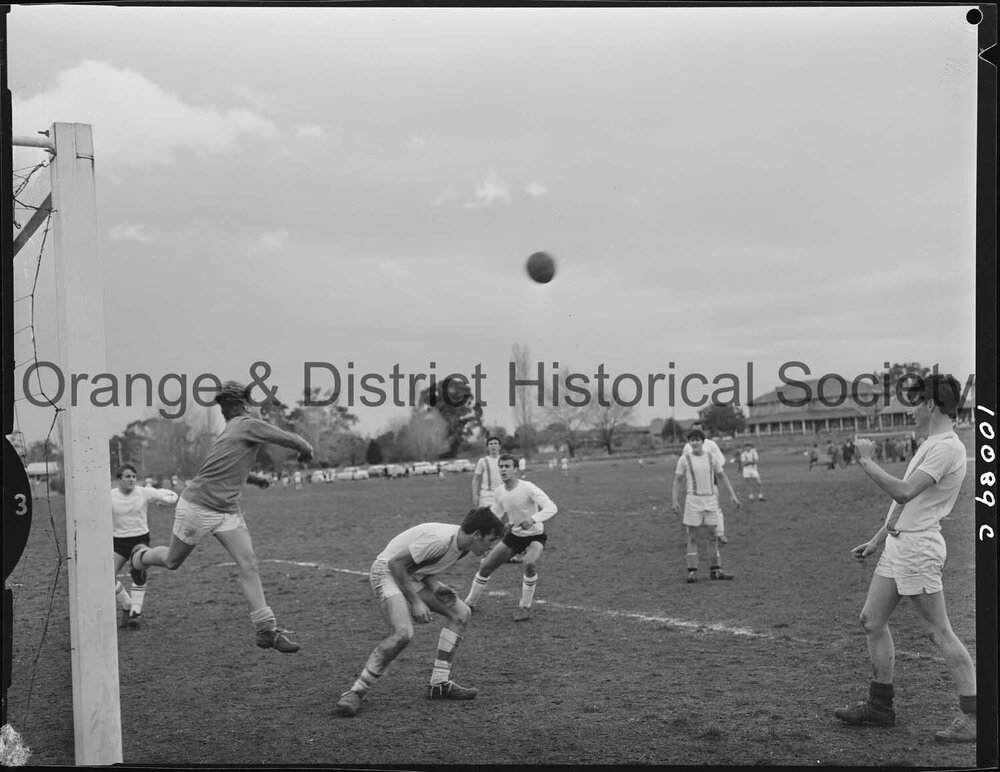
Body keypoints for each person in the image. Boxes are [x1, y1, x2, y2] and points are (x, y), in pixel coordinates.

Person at [834, 374, 975, 743]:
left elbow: (904, 491)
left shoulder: (947, 447)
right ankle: (881, 707)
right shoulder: (930, 444)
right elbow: (908, 504)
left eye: (915, 403)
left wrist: (866, 462)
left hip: (919, 549)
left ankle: (976, 716)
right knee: (871, 620)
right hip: (900, 545)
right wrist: (878, 539)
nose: (910, 410)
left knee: (938, 632)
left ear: (931, 405)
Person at [128, 381, 314, 653]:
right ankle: (139, 558)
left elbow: (228, 469)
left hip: (227, 511)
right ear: (246, 406)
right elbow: (289, 438)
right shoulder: (246, 424)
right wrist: (306, 450)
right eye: (257, 405)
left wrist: (256, 479)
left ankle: (266, 630)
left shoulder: (234, 430)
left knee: (248, 563)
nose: (260, 411)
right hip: (198, 507)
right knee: (171, 560)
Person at [336, 507, 506, 717]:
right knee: (404, 633)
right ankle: (356, 691)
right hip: (386, 572)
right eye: (490, 540)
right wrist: (415, 601)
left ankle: (439, 683)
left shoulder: (463, 546)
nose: (490, 547)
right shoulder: (440, 540)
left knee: (461, 613)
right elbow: (395, 563)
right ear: (477, 535)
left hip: (408, 575)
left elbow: (421, 568)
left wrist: (436, 588)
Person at [464, 454, 557, 621]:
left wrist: (533, 519)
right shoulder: (499, 492)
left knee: (529, 562)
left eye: (507, 466)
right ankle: (470, 602)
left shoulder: (528, 487)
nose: (503, 469)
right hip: (514, 536)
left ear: (516, 469)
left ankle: (525, 607)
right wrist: (499, 527)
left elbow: (552, 507)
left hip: (535, 536)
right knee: (486, 566)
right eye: (501, 466)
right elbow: (496, 515)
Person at [111, 464, 178, 629]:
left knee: (137, 572)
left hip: (139, 541)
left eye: (134, 476)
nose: (132, 479)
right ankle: (127, 603)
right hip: (118, 542)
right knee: (106, 578)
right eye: (127, 476)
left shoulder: (144, 492)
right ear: (119, 479)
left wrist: (165, 501)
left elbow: (172, 495)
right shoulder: (110, 496)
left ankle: (135, 612)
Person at [673, 429, 741, 583]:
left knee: (713, 535)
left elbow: (722, 476)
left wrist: (732, 495)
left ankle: (716, 570)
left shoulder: (712, 458)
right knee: (692, 536)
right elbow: (677, 480)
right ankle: (692, 571)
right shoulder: (684, 460)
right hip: (693, 501)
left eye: (698, 439)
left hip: (710, 500)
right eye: (692, 440)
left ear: (703, 442)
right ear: (689, 443)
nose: (695, 442)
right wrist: (675, 500)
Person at [682, 421, 730, 542]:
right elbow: (684, 464)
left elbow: (720, 462)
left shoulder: (711, 445)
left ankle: (720, 533)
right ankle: (690, 536)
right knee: (691, 511)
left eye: (699, 429)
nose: (697, 431)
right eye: (694, 429)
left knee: (716, 508)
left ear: (704, 431)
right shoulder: (688, 447)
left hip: (710, 483)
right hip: (693, 486)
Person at [471, 436, 502, 507]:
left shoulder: (504, 460)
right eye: (490, 444)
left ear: (499, 447)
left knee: (502, 517)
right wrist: (475, 495)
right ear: (488, 447)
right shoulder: (483, 461)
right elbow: (476, 478)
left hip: (502, 493)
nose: (493, 445)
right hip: (487, 495)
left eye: (495, 443)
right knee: (486, 517)